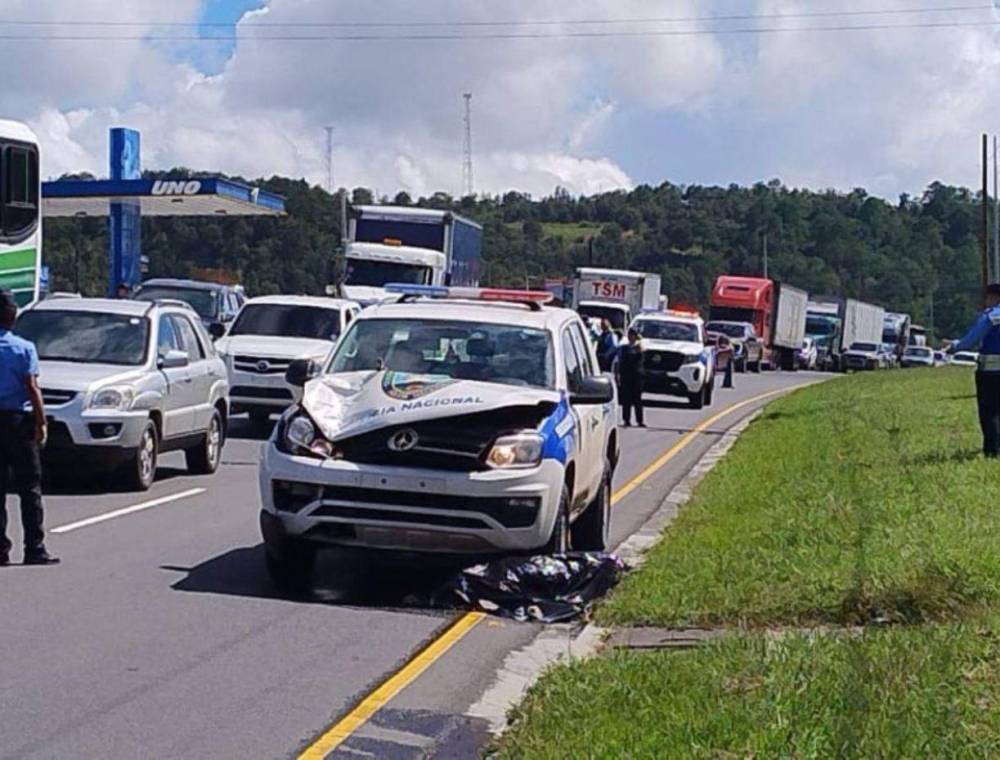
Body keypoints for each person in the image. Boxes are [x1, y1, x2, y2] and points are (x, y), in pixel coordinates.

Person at [0, 289, 59, 565]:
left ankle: (0, 550)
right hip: (18, 424)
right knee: (29, 487)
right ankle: (34, 548)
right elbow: (32, 388)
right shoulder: (23, 348)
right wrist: (41, 421)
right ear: (12, 317)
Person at [948, 283, 1000, 458]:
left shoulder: (991, 317)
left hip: (991, 371)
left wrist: (954, 346)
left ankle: (993, 451)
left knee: (990, 411)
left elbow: (970, 341)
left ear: (994, 297)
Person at [617, 327, 645, 428]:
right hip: (626, 376)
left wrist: (639, 345)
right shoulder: (624, 348)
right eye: (630, 334)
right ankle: (626, 420)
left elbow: (641, 359)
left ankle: (640, 420)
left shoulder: (639, 348)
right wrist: (618, 375)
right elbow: (620, 362)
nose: (631, 336)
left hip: (637, 377)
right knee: (626, 400)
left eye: (633, 334)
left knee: (637, 399)